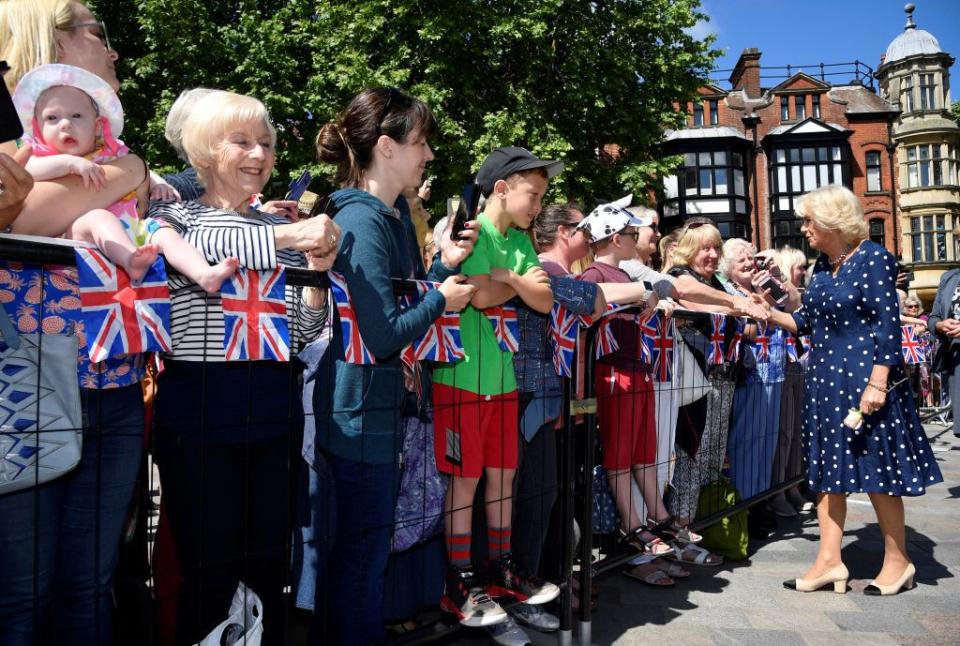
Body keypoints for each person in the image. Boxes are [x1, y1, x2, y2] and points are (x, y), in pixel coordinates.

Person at [147, 90, 339, 645]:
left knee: (267, 567)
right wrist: (287, 236)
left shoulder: (272, 229)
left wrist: (315, 280)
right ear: (205, 149)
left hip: (274, 410)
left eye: (267, 143)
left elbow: (299, 336)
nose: (259, 153)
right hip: (202, 410)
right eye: (242, 141)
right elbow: (206, 243)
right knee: (210, 566)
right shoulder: (175, 214)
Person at [0, 3, 156, 643]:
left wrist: (130, 169)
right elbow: (28, 218)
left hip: (114, 384)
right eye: (99, 32)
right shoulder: (13, 156)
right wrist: (130, 171)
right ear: (51, 37)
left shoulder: (117, 161)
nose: (115, 51)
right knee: (21, 596)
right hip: (28, 389)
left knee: (88, 587)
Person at [310, 87, 476, 645]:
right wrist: (441, 299)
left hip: (373, 412)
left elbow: (391, 310)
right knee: (361, 559)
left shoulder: (385, 216)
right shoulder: (362, 218)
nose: (427, 155)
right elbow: (382, 335)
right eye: (420, 143)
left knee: (360, 555)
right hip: (360, 416)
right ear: (386, 146)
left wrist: (439, 270)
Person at [765, 185, 942, 596]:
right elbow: (805, 322)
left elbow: (887, 327)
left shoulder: (874, 258)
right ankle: (829, 561)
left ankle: (898, 562)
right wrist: (765, 312)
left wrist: (878, 383)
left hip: (865, 381)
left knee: (877, 470)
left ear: (832, 221)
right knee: (828, 473)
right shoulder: (822, 268)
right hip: (826, 382)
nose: (803, 228)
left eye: (809, 220)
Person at [431, 146, 561, 628]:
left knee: (503, 475)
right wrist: (514, 279)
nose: (538, 207)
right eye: (533, 194)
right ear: (502, 188)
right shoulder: (474, 230)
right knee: (465, 481)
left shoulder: (520, 239)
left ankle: (501, 567)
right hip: (460, 378)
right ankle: (459, 577)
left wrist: (504, 277)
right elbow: (480, 294)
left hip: (502, 382)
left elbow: (545, 301)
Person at [13, 64, 238, 289]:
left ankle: (203, 273)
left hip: (131, 224)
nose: (65, 124)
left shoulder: (110, 152)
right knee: (98, 217)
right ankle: (130, 259)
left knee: (164, 232)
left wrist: (158, 183)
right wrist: (67, 163)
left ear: (98, 127)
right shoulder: (39, 155)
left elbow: (144, 169)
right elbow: (29, 171)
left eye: (77, 116)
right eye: (52, 118)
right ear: (37, 127)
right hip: (75, 232)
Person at [663, 221, 735, 567]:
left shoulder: (716, 281)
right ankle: (676, 533)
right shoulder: (681, 274)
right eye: (705, 247)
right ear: (688, 248)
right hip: (684, 381)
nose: (712, 254)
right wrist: (734, 303)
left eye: (717, 248)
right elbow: (683, 287)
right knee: (685, 454)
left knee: (701, 456)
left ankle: (684, 528)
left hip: (710, 379)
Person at [768, 246, 813, 517]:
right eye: (800, 267)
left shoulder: (792, 289)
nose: (804, 272)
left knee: (796, 431)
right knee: (784, 431)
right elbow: (792, 304)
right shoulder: (775, 287)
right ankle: (778, 491)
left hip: (797, 362)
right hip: (780, 364)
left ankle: (793, 484)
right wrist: (778, 276)